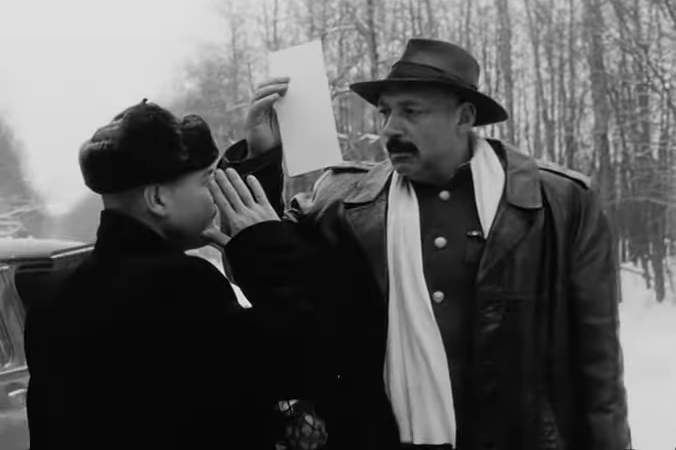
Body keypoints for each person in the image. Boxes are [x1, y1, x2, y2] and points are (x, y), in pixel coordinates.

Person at [220, 39, 632, 450]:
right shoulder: (344, 202)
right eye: (386, 112)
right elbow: (259, 262)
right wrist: (262, 156)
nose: (390, 129)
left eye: (411, 112)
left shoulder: (560, 202)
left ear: (464, 116)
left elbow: (599, 370)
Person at [24, 99, 328, 450]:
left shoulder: (54, 299)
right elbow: (299, 360)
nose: (215, 196)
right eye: (206, 181)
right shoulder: (182, 285)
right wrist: (267, 245)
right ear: (157, 199)